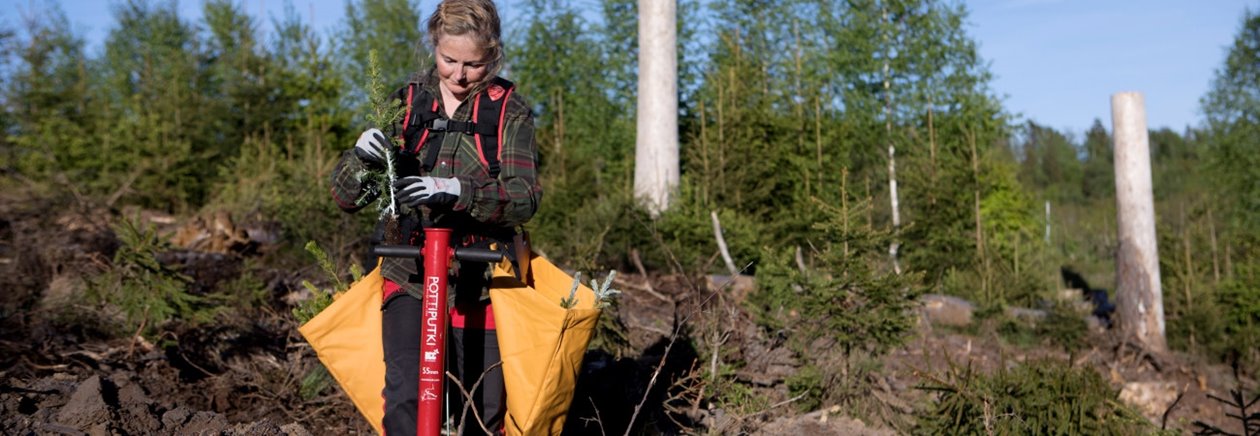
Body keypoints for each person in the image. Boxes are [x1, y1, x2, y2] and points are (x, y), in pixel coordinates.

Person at [329, 0, 541, 433]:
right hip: (410, 272)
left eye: (474, 65)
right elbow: (346, 197)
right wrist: (361, 157)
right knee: (408, 400)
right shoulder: (407, 104)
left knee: (482, 410)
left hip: (482, 280)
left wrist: (458, 191)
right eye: (449, 61)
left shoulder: (508, 112)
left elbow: (524, 198)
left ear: (494, 54)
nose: (459, 75)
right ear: (434, 46)